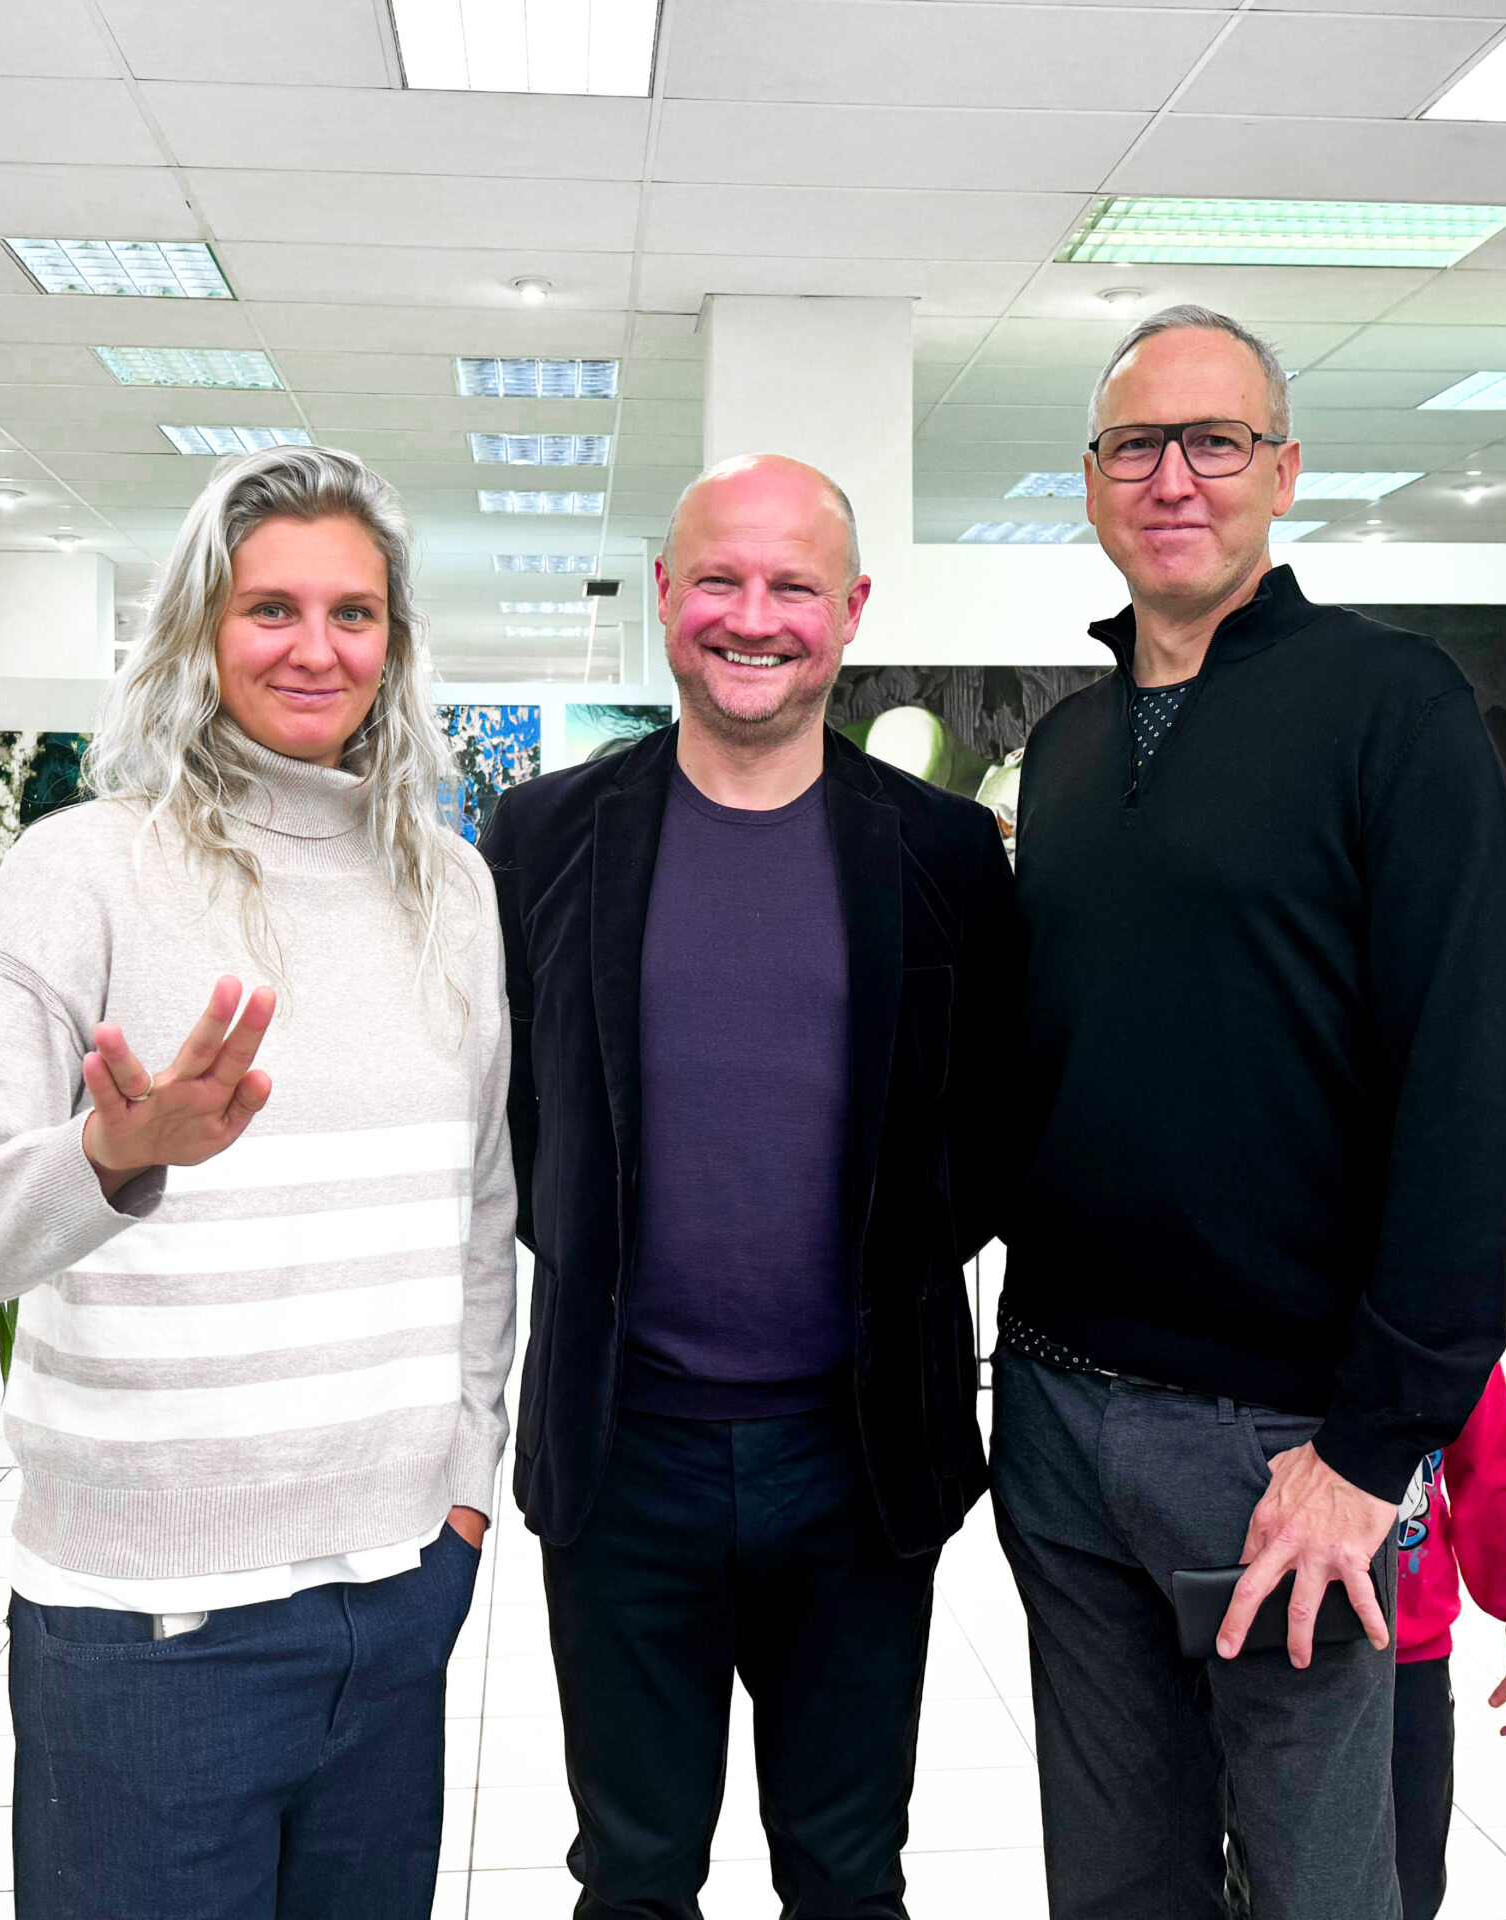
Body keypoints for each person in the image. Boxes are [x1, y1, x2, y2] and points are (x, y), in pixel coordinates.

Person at [0, 446, 516, 1920]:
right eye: (270, 608)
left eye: (353, 613)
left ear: (395, 644)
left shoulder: (452, 889)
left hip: (396, 1602)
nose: (315, 648)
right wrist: (107, 1158)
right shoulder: (83, 871)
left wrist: (464, 1489)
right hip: (148, 1633)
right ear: (200, 630)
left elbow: (480, 1212)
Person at [995, 304, 1506, 1919]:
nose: (1174, 477)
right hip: (1057, 1420)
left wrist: (1371, 1451)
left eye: (1215, 441)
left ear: (1284, 472)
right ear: (1091, 479)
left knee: (1315, 1893)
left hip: (1284, 1448)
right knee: (1113, 1891)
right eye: (1134, 446)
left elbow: (1475, 1095)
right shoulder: (1069, 749)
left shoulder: (1395, 709)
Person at [479, 453, 1021, 1919]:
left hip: (858, 1455)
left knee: (847, 1876)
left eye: (793, 585)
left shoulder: (945, 853)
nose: (753, 616)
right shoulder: (540, 839)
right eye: (718, 578)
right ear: (665, 594)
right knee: (633, 1875)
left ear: (850, 610)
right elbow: (515, 1118)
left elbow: (986, 1130)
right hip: (625, 1451)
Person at [1389, 1363, 1506, 1920]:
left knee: (1407, 1884)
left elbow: (1489, 1484)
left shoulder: (1447, 1327)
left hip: (1404, 1660)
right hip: (1244, 1636)